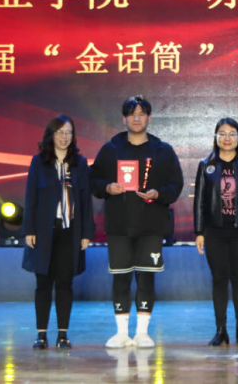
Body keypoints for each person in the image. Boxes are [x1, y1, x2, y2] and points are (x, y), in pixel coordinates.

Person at [91, 95, 184, 348]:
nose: (136, 118)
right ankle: (121, 333)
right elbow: (93, 179)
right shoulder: (111, 149)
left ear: (149, 118)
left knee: (146, 278)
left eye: (141, 114)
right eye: (132, 114)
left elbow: (176, 184)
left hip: (151, 226)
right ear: (124, 119)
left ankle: (142, 332)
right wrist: (107, 187)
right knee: (120, 278)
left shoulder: (162, 150)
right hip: (119, 226)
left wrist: (158, 194)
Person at [21, 115, 95, 349]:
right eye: (60, 132)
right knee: (43, 283)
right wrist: (29, 229)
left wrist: (86, 233)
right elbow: (30, 198)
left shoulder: (79, 163)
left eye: (68, 132)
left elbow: (85, 201)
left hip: (69, 232)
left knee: (65, 283)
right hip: (44, 232)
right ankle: (41, 335)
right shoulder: (39, 162)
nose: (64, 137)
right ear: (51, 135)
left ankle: (63, 335)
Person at [193, 117, 238, 347]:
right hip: (214, 232)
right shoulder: (206, 165)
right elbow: (200, 201)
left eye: (232, 134)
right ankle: (220, 331)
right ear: (216, 137)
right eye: (222, 133)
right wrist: (199, 232)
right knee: (219, 280)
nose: (227, 138)